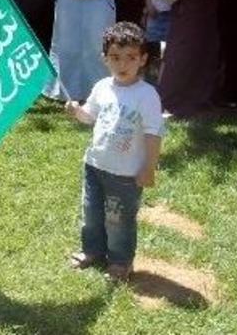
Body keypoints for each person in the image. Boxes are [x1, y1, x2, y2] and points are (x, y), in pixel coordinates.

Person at [66, 22, 163, 283]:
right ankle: (92, 251)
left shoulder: (147, 95)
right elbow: (90, 116)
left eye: (131, 58)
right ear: (105, 59)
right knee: (92, 213)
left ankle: (121, 261)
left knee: (119, 220)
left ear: (143, 59)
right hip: (95, 165)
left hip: (126, 174)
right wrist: (77, 112)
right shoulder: (101, 87)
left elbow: (154, 134)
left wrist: (148, 168)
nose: (123, 65)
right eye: (115, 58)